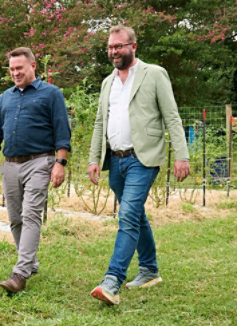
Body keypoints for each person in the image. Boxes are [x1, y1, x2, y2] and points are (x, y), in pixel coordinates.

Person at [88, 25, 190, 305]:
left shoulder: (153, 74)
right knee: (135, 216)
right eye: (110, 47)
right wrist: (94, 158)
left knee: (128, 216)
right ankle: (149, 270)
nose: (113, 51)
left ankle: (112, 281)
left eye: (119, 46)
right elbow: (100, 122)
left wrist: (182, 155)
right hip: (116, 160)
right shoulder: (107, 82)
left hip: (142, 159)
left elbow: (172, 116)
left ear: (133, 46)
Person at [0, 47, 71, 293]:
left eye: (19, 68)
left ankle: (20, 273)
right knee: (15, 218)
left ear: (33, 65)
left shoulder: (51, 94)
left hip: (39, 162)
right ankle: (30, 263)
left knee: (31, 214)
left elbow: (62, 130)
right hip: (10, 164)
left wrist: (60, 163)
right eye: (11, 69)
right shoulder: (6, 97)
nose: (15, 73)